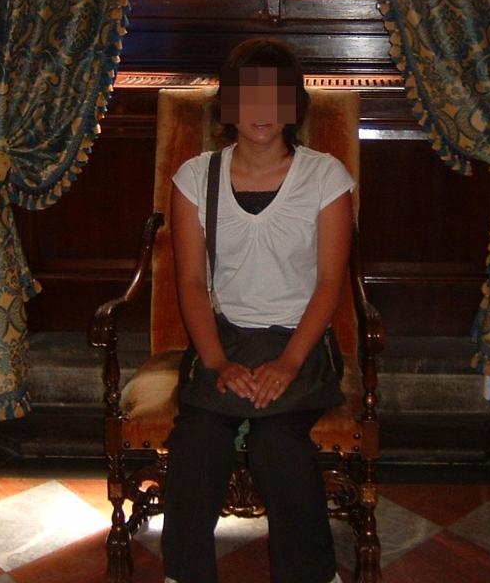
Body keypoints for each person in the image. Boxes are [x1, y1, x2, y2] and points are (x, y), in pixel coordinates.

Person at [161, 38, 353, 583]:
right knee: (198, 439)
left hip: (300, 343)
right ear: (227, 106)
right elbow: (191, 283)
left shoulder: (326, 177)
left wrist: (289, 363)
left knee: (278, 442)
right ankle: (184, 575)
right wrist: (218, 363)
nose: (261, 111)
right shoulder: (194, 178)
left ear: (294, 106)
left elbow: (329, 284)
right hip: (222, 341)